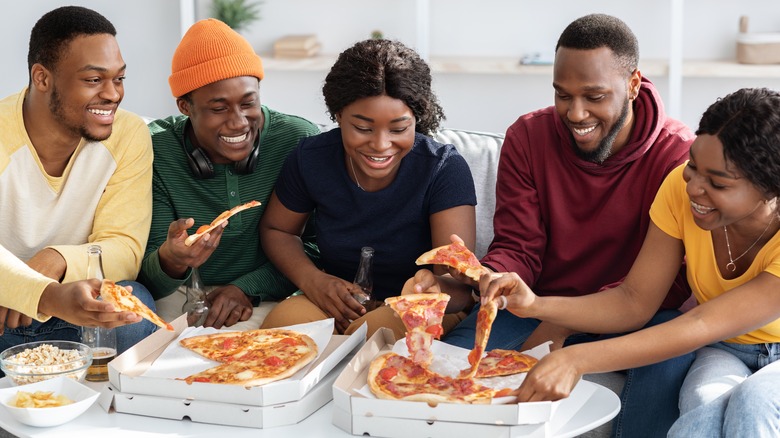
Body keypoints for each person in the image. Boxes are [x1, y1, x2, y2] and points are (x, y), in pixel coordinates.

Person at [409, 14, 696, 437]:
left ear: (633, 83)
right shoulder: (528, 137)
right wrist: (491, 275)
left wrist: (564, 322)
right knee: (434, 381)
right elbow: (519, 246)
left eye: (594, 96)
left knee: (670, 369)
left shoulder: (679, 157)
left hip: (639, 316)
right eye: (563, 95)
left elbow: (669, 285)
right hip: (534, 305)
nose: (575, 113)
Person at [482, 87, 780, 437]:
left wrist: (576, 359)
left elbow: (701, 323)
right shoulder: (678, 189)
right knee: (701, 405)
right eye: (693, 167)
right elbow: (634, 300)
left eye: (716, 182)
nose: (693, 188)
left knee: (755, 400)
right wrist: (534, 304)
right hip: (727, 349)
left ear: (770, 188)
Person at [259, 39, 478, 336]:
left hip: (418, 306)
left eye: (399, 129)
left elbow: (461, 289)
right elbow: (278, 230)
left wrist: (432, 288)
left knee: (373, 335)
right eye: (362, 128)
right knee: (281, 332)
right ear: (338, 115)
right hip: (338, 300)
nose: (380, 144)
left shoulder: (443, 169)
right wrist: (314, 281)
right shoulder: (311, 158)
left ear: (417, 119)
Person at [137, 19, 320, 329]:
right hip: (179, 297)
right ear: (185, 106)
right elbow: (149, 281)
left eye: (248, 103)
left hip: (273, 293)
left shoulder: (298, 140)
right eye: (219, 108)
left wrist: (246, 288)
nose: (238, 122)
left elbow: (319, 248)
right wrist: (172, 258)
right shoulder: (154, 149)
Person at [0, 6, 156, 354]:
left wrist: (56, 259)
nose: (113, 94)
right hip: (3, 310)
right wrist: (34, 290)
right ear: (42, 78)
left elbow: (124, 248)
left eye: (119, 79)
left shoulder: (129, 134)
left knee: (134, 313)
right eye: (94, 80)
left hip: (78, 308)